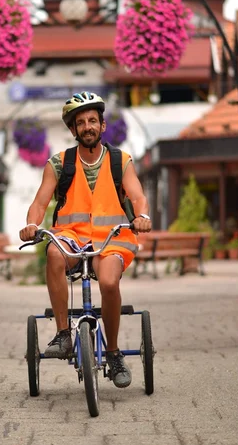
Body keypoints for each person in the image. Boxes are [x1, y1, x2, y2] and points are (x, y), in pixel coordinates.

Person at [19, 91, 152, 388]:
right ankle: (64, 333)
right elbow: (40, 202)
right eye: (81, 122)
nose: (88, 126)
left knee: (107, 282)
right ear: (73, 130)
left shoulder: (121, 161)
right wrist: (31, 223)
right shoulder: (59, 163)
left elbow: (139, 195)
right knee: (53, 254)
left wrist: (142, 216)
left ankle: (114, 352)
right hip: (71, 237)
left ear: (103, 126)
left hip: (113, 237)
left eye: (93, 120)